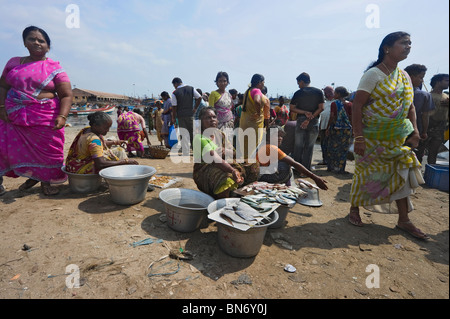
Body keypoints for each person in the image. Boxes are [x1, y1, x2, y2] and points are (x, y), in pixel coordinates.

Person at [349, 31, 429, 240]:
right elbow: (357, 106)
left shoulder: (403, 76)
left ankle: (404, 219)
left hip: (396, 138)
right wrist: (358, 137)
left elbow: (410, 106)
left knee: (400, 172)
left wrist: (415, 131)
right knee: (365, 174)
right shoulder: (373, 74)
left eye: (410, 43)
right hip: (371, 139)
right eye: (403, 43)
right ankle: (354, 209)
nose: (408, 47)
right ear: (387, 48)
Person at [0, 26, 73, 196]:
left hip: (44, 116)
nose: (37, 43)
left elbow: (66, 95)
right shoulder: (13, 63)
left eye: (41, 41)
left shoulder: (54, 67)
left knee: (48, 150)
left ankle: (45, 182)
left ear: (48, 46)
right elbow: (2, 86)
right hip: (12, 116)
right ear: (25, 42)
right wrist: (1, 107)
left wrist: (62, 116)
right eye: (32, 39)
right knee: (4, 147)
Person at [193, 107, 259, 199]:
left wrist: (225, 151)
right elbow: (215, 160)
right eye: (208, 118)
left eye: (214, 117)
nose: (212, 120)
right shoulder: (199, 138)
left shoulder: (220, 134)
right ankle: (221, 202)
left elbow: (234, 153)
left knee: (252, 164)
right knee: (226, 177)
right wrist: (233, 170)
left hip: (225, 163)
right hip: (206, 170)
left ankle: (240, 194)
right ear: (201, 121)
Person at [257, 125, 328, 190]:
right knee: (286, 164)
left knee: (285, 161)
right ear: (269, 136)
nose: (280, 138)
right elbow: (294, 163)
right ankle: (286, 185)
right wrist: (315, 177)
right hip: (262, 177)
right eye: (277, 136)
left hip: (260, 174)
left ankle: (287, 185)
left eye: (281, 136)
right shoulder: (271, 148)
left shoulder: (264, 144)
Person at [65, 112, 138, 174]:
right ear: (95, 126)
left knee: (119, 150)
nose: (108, 130)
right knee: (117, 158)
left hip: (75, 163)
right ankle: (124, 174)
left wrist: (115, 142)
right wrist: (125, 161)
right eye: (106, 128)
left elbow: (96, 144)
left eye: (109, 127)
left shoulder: (87, 130)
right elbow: (100, 164)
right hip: (82, 168)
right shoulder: (94, 139)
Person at [289, 72, 325, 171]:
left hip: (301, 120)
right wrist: (311, 117)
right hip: (314, 121)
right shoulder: (318, 92)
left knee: (298, 145)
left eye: (298, 83)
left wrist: (304, 112)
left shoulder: (299, 93)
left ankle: (296, 168)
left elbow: (292, 108)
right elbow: (321, 108)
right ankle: (306, 170)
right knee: (309, 147)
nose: (298, 85)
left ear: (301, 81)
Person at [404, 64, 435, 163]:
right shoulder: (425, 95)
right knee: (413, 158)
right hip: (415, 131)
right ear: (411, 77)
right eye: (421, 77)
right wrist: (424, 132)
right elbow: (425, 116)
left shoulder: (394, 91)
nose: (422, 81)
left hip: (396, 130)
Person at [325, 86, 353, 174]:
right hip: (346, 130)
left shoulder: (334, 104)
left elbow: (332, 116)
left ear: (339, 94)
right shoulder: (350, 104)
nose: (334, 94)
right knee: (343, 149)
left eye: (336, 93)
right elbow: (351, 118)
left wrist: (328, 127)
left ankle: (331, 167)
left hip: (335, 128)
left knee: (332, 147)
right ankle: (341, 169)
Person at [171, 77, 202, 154]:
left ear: (175, 84)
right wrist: (195, 108)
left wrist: (173, 117)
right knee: (192, 133)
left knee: (183, 133)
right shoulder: (191, 88)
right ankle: (195, 150)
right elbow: (199, 97)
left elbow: (174, 107)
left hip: (181, 116)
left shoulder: (175, 93)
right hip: (190, 114)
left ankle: (185, 151)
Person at [238, 74, 265, 160]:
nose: (263, 84)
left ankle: (246, 164)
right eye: (263, 82)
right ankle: (252, 167)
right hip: (253, 124)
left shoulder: (247, 91)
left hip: (244, 122)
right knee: (254, 147)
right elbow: (257, 101)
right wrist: (258, 113)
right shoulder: (257, 90)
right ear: (259, 83)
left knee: (245, 148)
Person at [424, 73, 449, 164]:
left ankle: (429, 175)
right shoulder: (428, 96)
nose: (448, 83)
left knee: (433, 154)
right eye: (446, 81)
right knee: (419, 152)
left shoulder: (447, 98)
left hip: (439, 130)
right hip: (425, 128)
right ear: (438, 82)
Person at [317, 86, 334, 166]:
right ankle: (325, 160)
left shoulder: (336, 102)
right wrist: (320, 128)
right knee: (323, 144)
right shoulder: (325, 103)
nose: (324, 94)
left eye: (325, 93)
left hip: (332, 127)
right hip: (323, 127)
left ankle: (331, 161)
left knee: (331, 145)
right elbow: (322, 116)